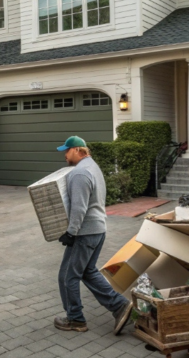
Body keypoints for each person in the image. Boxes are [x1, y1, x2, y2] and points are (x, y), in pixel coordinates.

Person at [53, 135, 134, 334]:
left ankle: (75, 319)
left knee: (68, 276)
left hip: (85, 232)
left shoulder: (79, 173)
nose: (65, 154)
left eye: (67, 150)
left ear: (78, 150)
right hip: (97, 229)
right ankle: (120, 306)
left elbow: (79, 208)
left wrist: (71, 232)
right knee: (87, 272)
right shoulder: (92, 167)